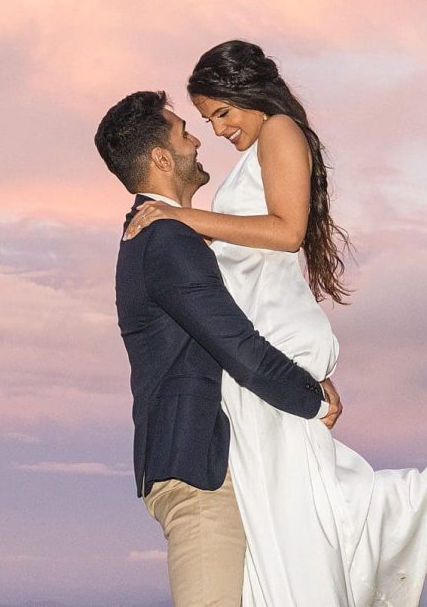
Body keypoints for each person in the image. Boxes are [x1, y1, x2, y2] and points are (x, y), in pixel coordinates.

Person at [122, 40, 427, 606]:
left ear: (247, 90)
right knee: (295, 508)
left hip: (266, 342)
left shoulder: (279, 129)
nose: (217, 129)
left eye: (222, 112)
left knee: (293, 509)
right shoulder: (256, 153)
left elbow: (287, 230)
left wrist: (183, 218)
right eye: (205, 120)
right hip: (254, 351)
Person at [94, 89, 343, 606]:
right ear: (162, 159)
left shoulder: (165, 235)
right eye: (185, 133)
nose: (197, 141)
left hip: (209, 464)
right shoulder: (165, 241)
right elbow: (239, 349)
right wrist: (314, 396)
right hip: (199, 476)